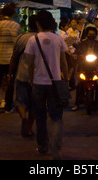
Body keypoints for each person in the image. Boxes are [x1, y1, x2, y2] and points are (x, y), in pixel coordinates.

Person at [25, 10, 69, 160]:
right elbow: (64, 63)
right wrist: (67, 80)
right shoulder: (58, 39)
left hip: (38, 83)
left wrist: (31, 79)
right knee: (56, 117)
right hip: (55, 82)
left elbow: (29, 64)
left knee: (40, 116)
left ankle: (43, 146)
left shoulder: (33, 40)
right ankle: (56, 150)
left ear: (38, 23)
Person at [9, 15, 38, 138]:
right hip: (37, 77)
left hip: (22, 74)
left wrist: (10, 73)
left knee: (20, 101)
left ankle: (23, 117)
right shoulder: (41, 38)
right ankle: (29, 128)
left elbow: (14, 58)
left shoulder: (21, 38)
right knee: (34, 104)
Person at [71, 27, 98, 111]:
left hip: (95, 67)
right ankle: (77, 103)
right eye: (90, 34)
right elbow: (76, 52)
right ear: (87, 34)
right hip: (84, 67)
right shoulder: (82, 44)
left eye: (93, 34)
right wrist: (77, 55)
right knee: (79, 84)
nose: (91, 36)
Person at [63, 18, 80, 90]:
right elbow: (68, 43)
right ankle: (69, 83)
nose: (74, 24)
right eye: (73, 22)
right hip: (69, 52)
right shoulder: (68, 32)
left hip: (75, 51)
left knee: (74, 69)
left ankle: (72, 83)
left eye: (75, 22)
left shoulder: (78, 32)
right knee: (70, 68)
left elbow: (78, 41)